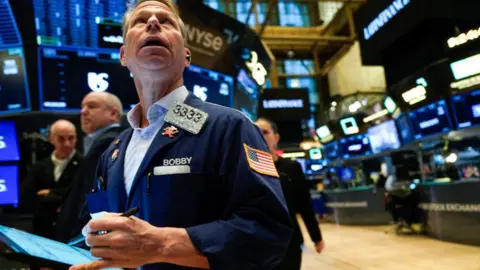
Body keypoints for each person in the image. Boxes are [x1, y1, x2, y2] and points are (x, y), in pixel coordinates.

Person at [69, 1, 292, 270]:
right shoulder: (113, 151)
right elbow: (96, 217)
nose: (153, 23)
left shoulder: (229, 127)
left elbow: (269, 232)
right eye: (140, 21)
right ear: (123, 55)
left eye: (167, 22)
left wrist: (162, 245)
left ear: (186, 56)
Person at [255, 117, 325, 270]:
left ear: (276, 137)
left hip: (289, 242)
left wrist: (316, 237)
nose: (260, 136)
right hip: (257, 243)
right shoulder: (246, 169)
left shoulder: (292, 168)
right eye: (255, 132)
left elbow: (305, 206)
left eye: (265, 132)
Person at [53, 92, 124, 243]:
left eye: (91, 106)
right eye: (82, 107)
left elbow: (94, 193)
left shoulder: (108, 142)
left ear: (113, 113)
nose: (83, 111)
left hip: (84, 239)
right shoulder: (109, 141)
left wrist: (78, 238)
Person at [21, 119, 82, 239]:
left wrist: (50, 193)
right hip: (42, 231)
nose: (67, 144)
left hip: (72, 232)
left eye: (71, 138)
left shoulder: (84, 164)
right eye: (61, 139)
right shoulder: (39, 166)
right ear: (51, 139)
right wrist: (63, 196)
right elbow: (26, 196)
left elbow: (81, 197)